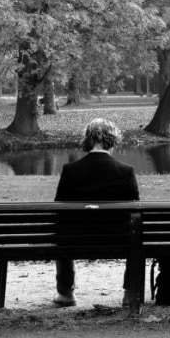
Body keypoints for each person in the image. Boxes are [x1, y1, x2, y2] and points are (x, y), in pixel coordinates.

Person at [53, 118, 140, 307]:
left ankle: (66, 292)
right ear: (113, 140)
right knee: (136, 234)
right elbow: (135, 211)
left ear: (87, 140)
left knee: (63, 233)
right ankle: (130, 293)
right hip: (118, 239)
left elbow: (59, 211)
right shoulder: (126, 171)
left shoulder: (70, 171)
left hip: (76, 239)